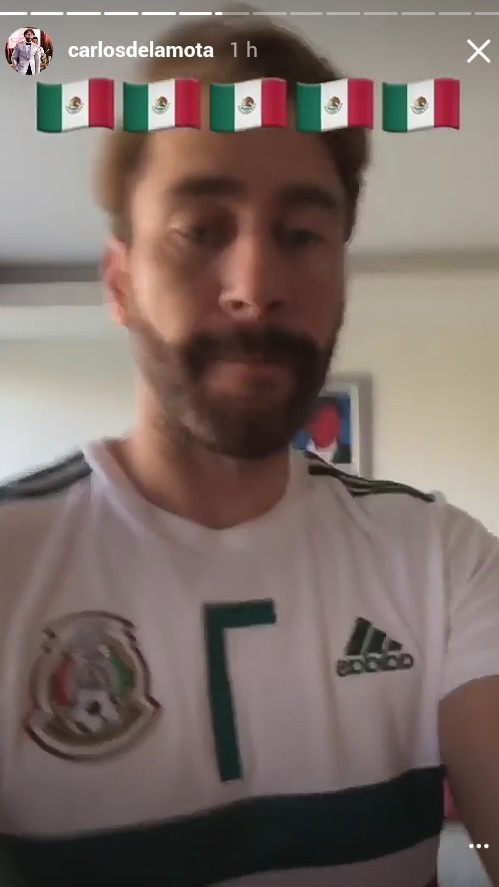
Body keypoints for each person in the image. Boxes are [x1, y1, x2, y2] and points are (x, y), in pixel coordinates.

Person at [0, 13, 498, 887]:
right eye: (199, 229)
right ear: (120, 282)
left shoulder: (441, 562)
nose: (256, 287)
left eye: (301, 235)